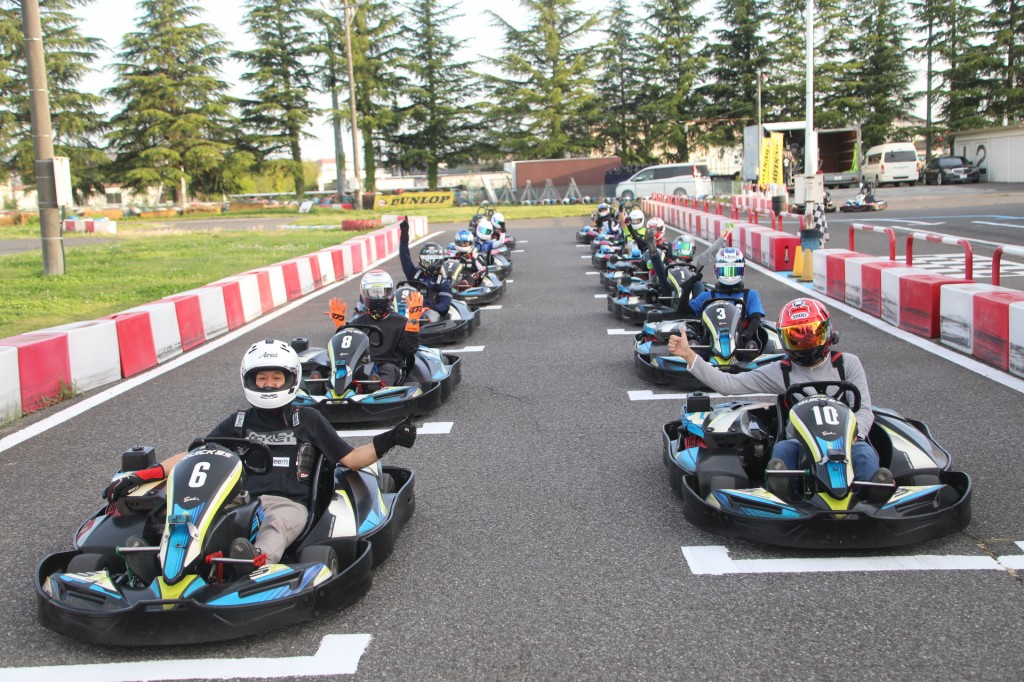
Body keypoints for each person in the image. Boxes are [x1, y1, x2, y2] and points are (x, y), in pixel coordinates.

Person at [101, 339, 417, 566]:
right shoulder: (238, 421)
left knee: (277, 525)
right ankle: (158, 561)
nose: (268, 386)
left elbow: (351, 460)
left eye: (276, 378)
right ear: (249, 381)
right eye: (261, 378)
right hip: (239, 500)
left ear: (290, 380)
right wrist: (144, 475)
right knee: (189, 514)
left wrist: (389, 439)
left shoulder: (307, 419)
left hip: (287, 503)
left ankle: (251, 563)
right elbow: (196, 455)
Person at [666, 298, 891, 500]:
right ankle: (785, 495)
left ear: (827, 332)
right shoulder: (781, 370)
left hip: (848, 440)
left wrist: (855, 436)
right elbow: (728, 384)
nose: (805, 343)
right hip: (800, 442)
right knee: (783, 452)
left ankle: (871, 495)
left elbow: (864, 409)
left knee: (865, 454)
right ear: (784, 339)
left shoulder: (847, 364)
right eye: (796, 337)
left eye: (811, 334)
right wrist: (689, 355)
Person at [325, 269, 425, 388]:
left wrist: (413, 320)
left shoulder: (401, 322)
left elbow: (410, 349)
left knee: (388, 369)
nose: (378, 297)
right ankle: (324, 386)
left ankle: (378, 387)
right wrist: (340, 327)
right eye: (373, 292)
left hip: (391, 366)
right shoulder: (357, 322)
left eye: (382, 292)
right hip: (364, 365)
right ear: (364, 293)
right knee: (340, 367)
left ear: (390, 293)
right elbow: (345, 349)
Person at [678, 246, 766, 347]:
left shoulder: (750, 295)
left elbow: (756, 318)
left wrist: (746, 334)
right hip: (711, 343)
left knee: (752, 345)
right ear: (717, 270)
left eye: (733, 271)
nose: (730, 275)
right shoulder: (708, 296)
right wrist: (688, 288)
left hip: (740, 341)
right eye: (726, 270)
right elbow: (683, 312)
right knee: (694, 345)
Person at [398, 217, 453, 318]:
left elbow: (444, 305)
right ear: (421, 260)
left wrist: (428, 308)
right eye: (427, 260)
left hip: (429, 315)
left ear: (440, 261)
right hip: (410, 312)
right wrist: (404, 235)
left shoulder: (442, 282)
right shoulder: (415, 275)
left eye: (434, 260)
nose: (430, 264)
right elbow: (404, 258)